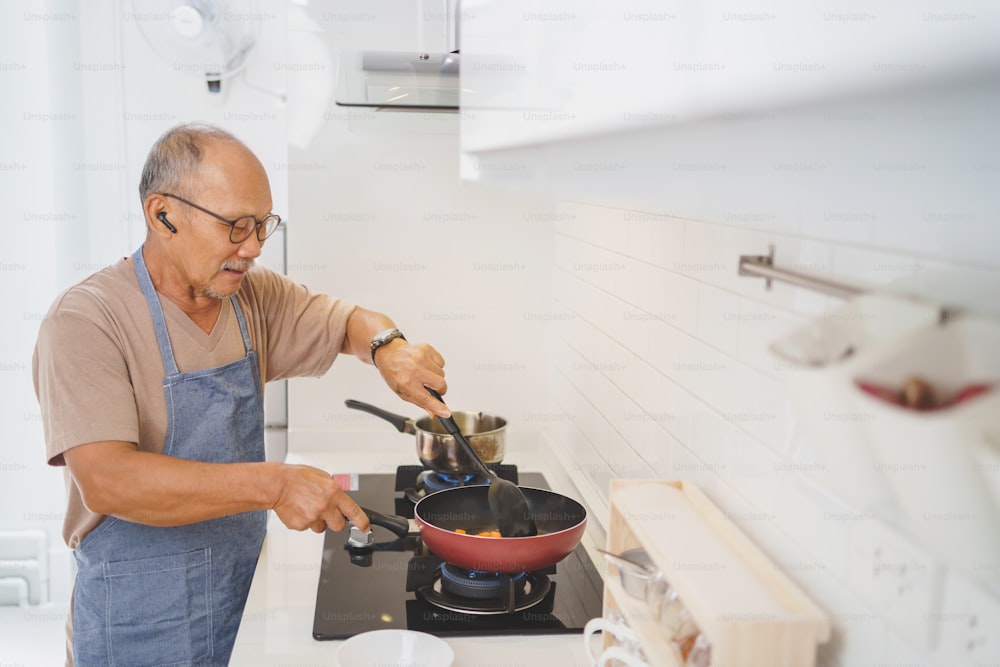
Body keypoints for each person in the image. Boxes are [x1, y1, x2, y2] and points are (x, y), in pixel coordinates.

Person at [32, 122, 451, 666]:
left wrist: (388, 346)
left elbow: (347, 321)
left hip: (239, 599)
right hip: (136, 624)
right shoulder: (87, 320)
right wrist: (274, 485)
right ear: (163, 215)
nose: (253, 247)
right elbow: (110, 482)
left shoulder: (250, 297)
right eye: (235, 226)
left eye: (262, 225)